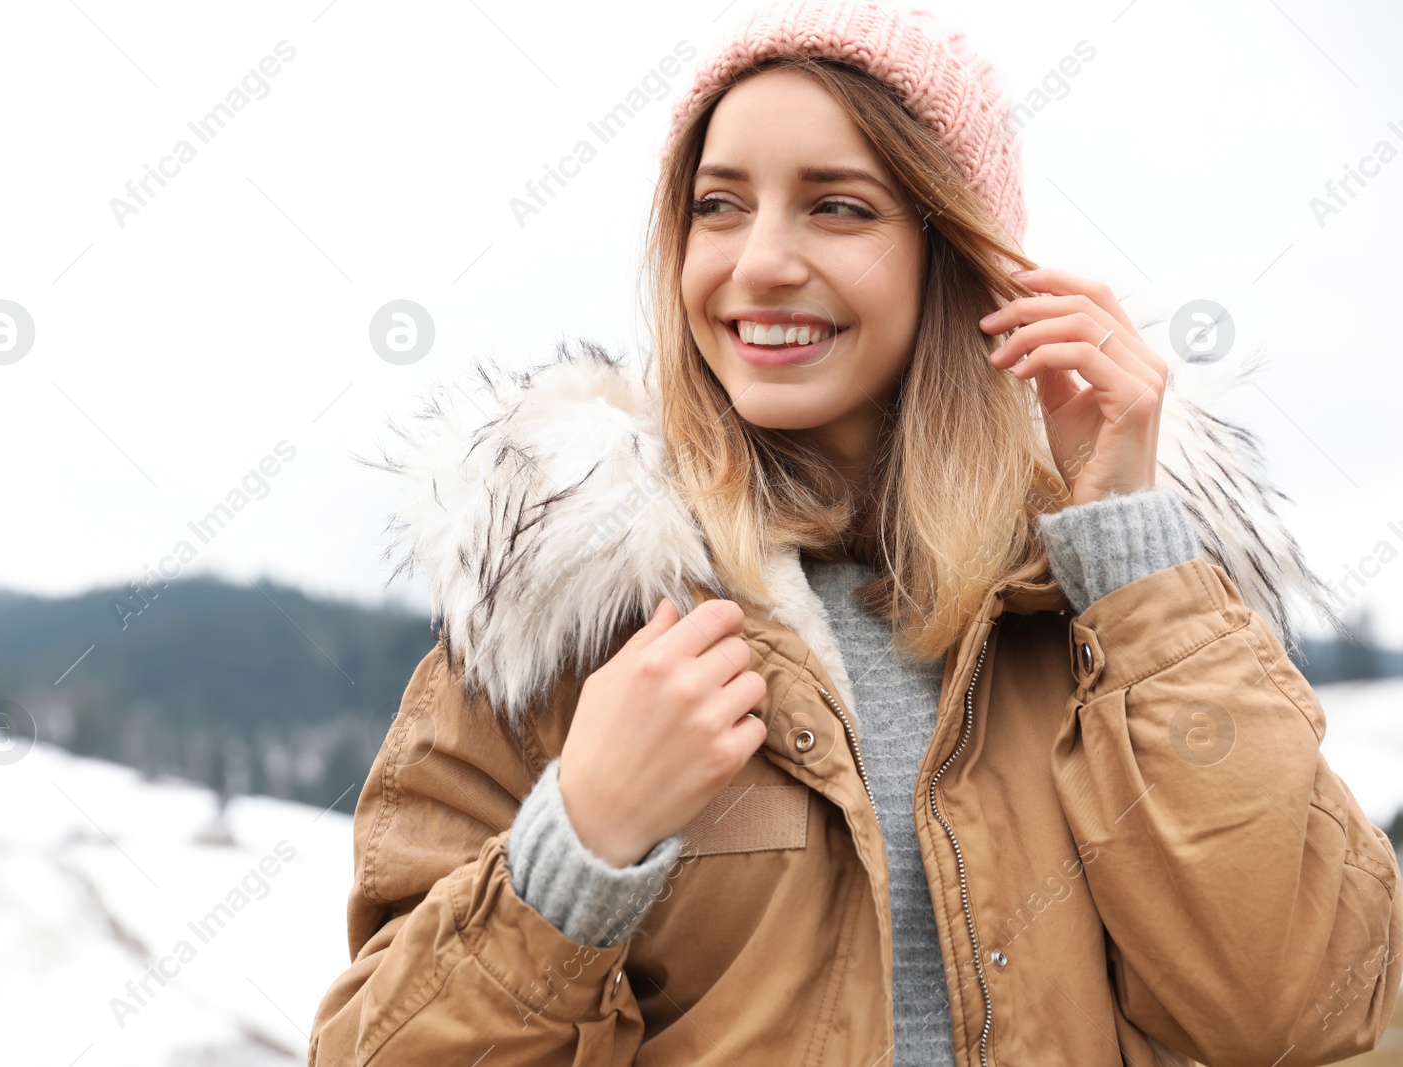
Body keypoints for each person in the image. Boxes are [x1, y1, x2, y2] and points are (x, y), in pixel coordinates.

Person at [309, 2, 1402, 1064]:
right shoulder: (560, 618)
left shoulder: (1106, 615)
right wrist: (582, 838)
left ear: (954, 252)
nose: (760, 261)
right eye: (719, 205)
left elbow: (1310, 1011)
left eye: (837, 207)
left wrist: (1128, 550)